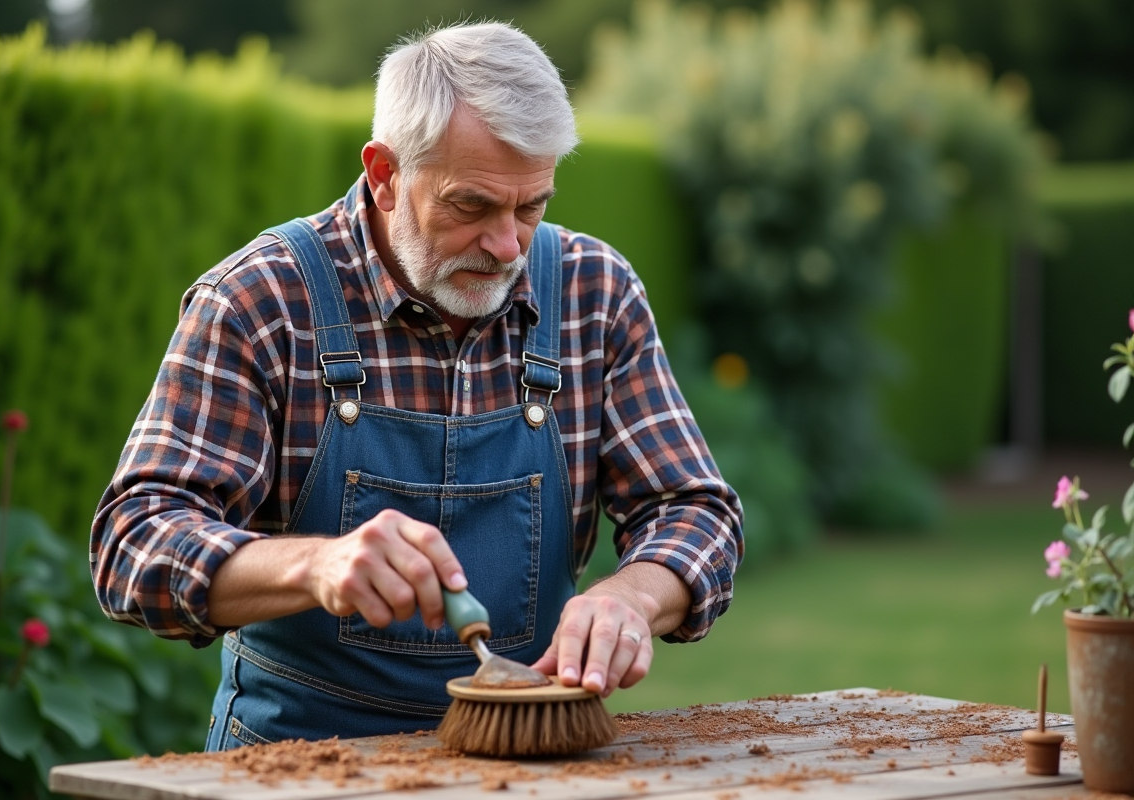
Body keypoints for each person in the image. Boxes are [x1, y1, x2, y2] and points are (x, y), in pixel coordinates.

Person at [91, 21, 743, 750]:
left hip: (524, 751)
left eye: (531, 207)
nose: (505, 247)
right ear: (384, 173)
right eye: (472, 205)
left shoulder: (595, 292)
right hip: (297, 762)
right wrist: (315, 563)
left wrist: (633, 595)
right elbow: (133, 544)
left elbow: (695, 510)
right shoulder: (261, 300)